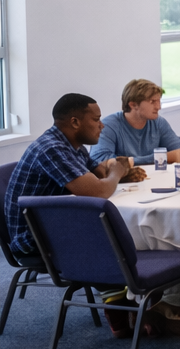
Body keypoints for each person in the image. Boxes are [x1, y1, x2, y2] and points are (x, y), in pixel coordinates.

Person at [6, 93, 141, 259]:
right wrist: (117, 172)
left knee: (122, 230)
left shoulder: (73, 145)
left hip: (57, 223)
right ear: (75, 122)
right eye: (96, 119)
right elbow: (99, 191)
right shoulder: (51, 148)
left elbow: (98, 173)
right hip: (33, 239)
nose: (102, 125)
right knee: (125, 235)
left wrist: (115, 173)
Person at [89, 79, 180, 166]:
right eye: (152, 102)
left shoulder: (159, 122)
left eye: (159, 101)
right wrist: (159, 158)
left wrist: (131, 161)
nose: (158, 107)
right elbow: (99, 160)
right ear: (133, 105)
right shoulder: (108, 126)